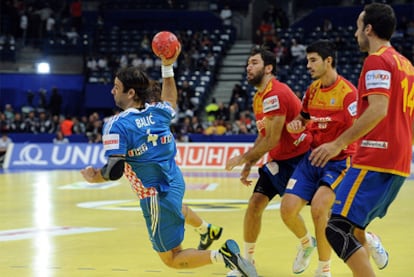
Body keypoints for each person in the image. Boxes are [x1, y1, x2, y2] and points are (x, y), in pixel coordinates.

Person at [80, 44, 257, 276]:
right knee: (177, 210)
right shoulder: (157, 112)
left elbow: (115, 169)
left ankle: (223, 256)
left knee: (172, 258)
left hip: (153, 194)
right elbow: (171, 100)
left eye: (116, 87)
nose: (112, 91)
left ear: (131, 93)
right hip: (175, 181)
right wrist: (167, 66)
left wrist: (95, 177)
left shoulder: (117, 125)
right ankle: (207, 230)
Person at [309, 4, 414, 277]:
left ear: (368, 28)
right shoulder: (406, 64)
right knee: (355, 229)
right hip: (399, 161)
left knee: (335, 228)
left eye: (358, 27)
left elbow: (378, 109)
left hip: (376, 158)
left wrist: (336, 144)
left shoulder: (377, 60)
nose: (356, 33)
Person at [225, 47, 312, 276]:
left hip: (300, 160)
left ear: (269, 67)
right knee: (254, 205)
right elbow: (264, 135)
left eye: (254, 62)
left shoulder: (276, 93)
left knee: (313, 212)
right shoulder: (259, 97)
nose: (248, 67)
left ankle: (308, 244)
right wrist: (249, 163)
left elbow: (272, 139)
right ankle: (247, 263)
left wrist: (243, 157)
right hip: (277, 160)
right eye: (247, 63)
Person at [280, 40, 358, 277]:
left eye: (313, 60)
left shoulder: (348, 94)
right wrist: (296, 126)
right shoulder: (312, 90)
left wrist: (338, 146)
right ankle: (307, 244)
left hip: (339, 160)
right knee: (287, 209)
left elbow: (361, 130)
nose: (308, 65)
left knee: (319, 208)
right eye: (307, 60)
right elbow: (303, 120)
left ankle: (324, 270)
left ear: (328, 61)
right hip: (312, 158)